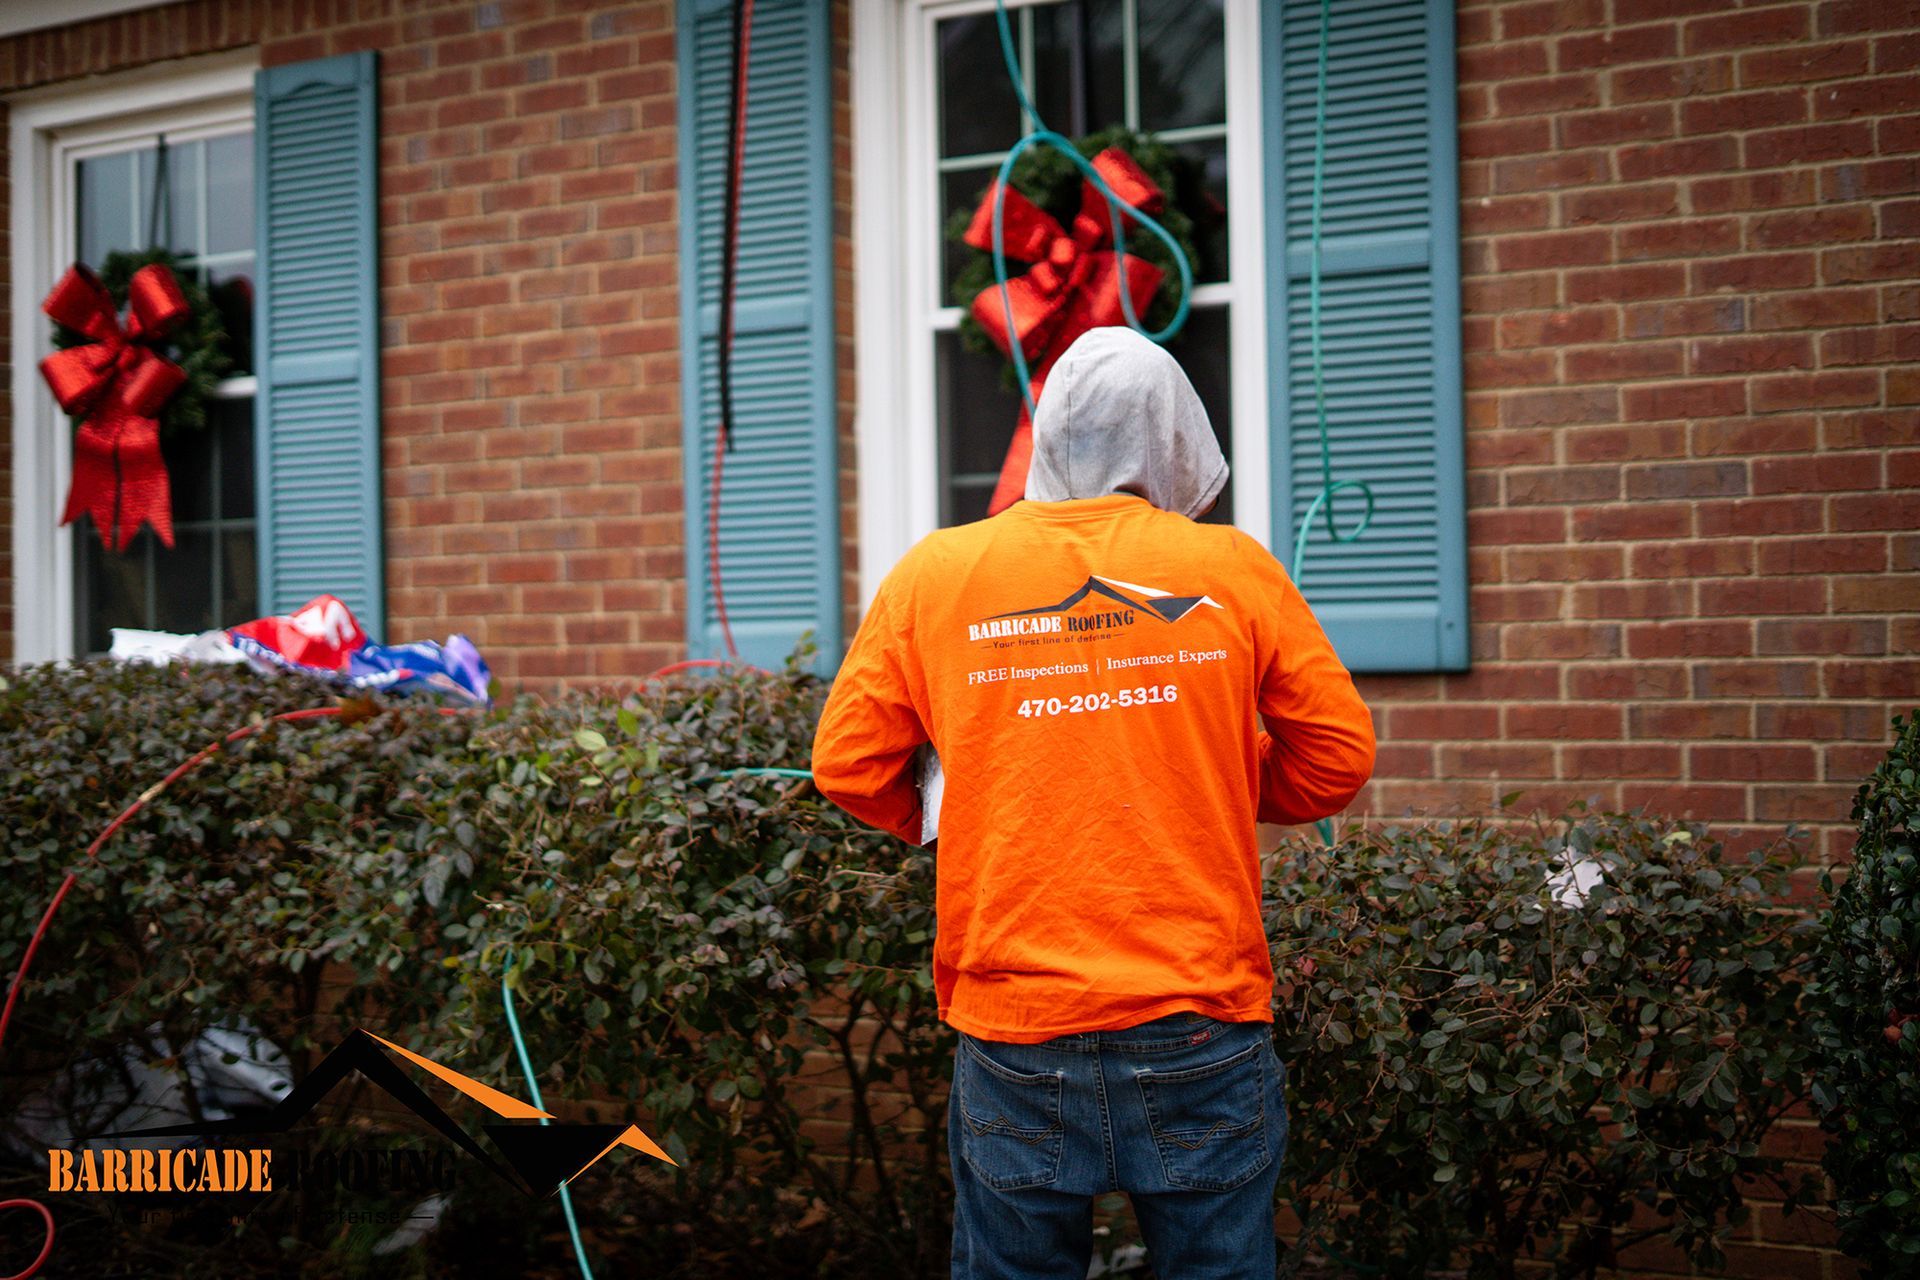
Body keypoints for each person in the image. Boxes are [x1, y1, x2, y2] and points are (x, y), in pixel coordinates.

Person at [811, 325, 1376, 1280]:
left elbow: (848, 766)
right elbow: (1336, 760)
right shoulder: (1231, 568)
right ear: (1175, 434)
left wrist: (957, 809)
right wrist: (1205, 777)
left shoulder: (936, 574)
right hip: (1197, 1015)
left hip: (1016, 1023)